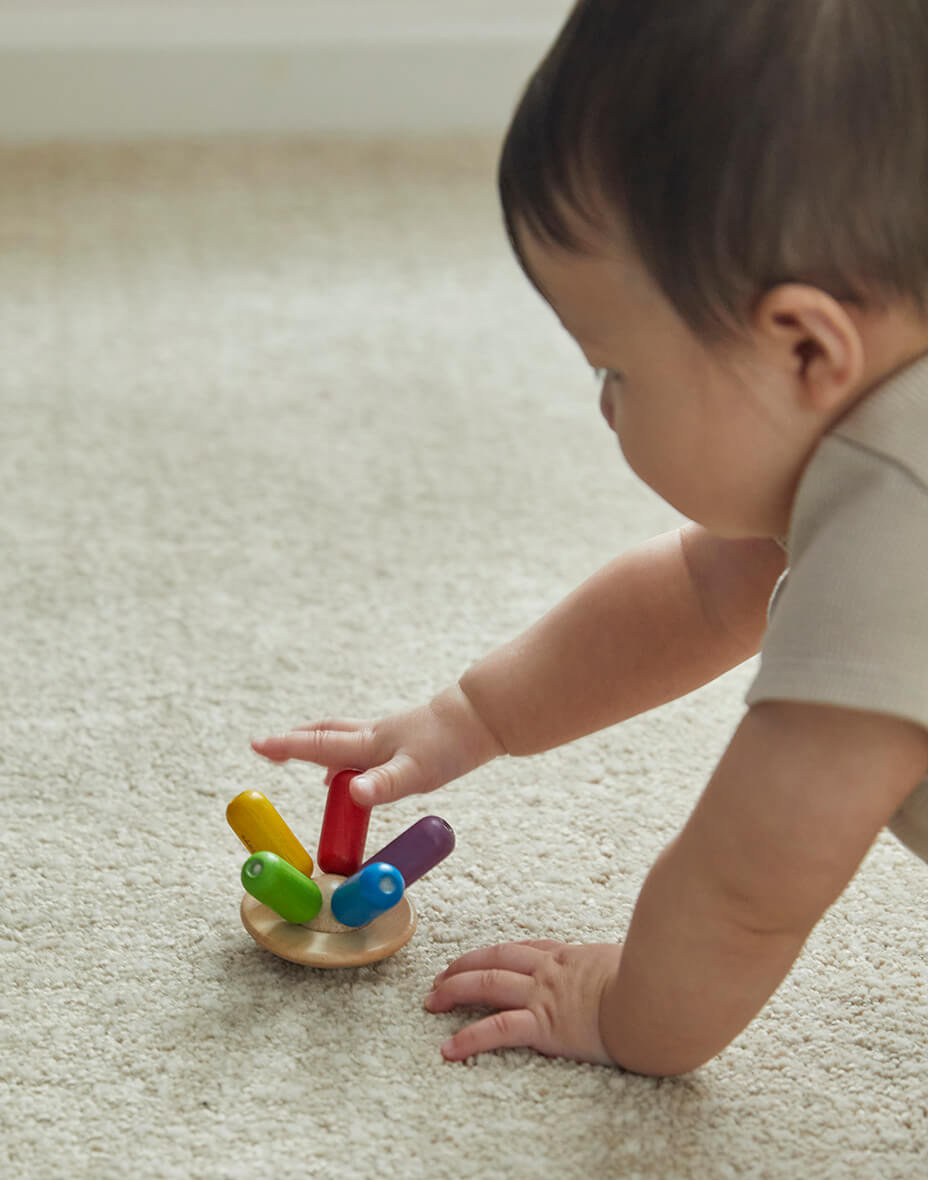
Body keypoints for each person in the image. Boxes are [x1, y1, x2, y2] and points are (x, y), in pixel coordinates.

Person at [251, 0, 928, 1077]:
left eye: (615, 369)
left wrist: (625, 1012)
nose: (603, 406)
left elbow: (751, 880)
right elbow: (701, 592)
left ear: (806, 349)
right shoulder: (874, 426)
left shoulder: (897, 542)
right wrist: (474, 716)